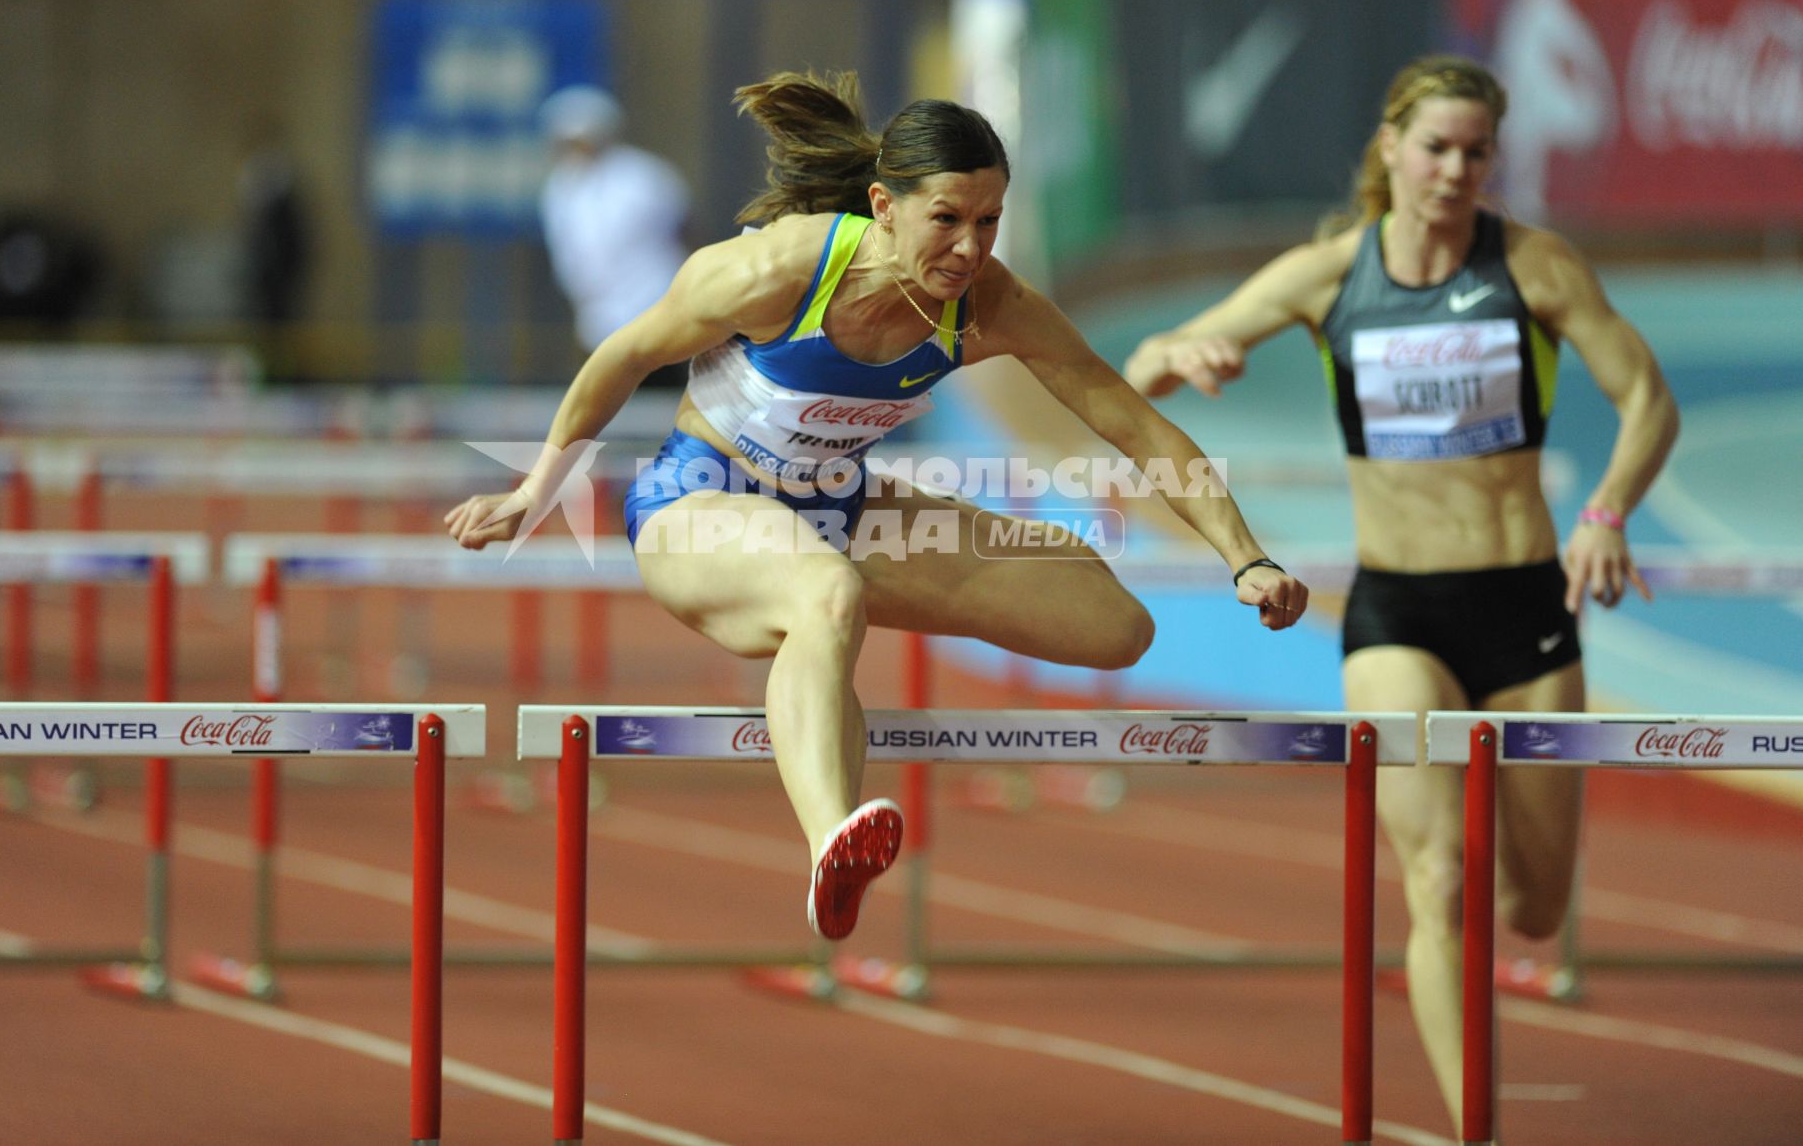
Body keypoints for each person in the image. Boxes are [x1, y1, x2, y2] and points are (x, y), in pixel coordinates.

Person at [450, 70, 1309, 941]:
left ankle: (821, 629)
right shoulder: (776, 269)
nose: (970, 251)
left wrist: (1248, 556)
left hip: (839, 504)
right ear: (883, 206)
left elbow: (1138, 425)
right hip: (699, 500)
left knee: (1112, 624)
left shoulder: (990, 304)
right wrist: (536, 488)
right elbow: (622, 356)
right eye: (947, 219)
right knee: (827, 594)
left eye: (989, 221)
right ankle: (832, 841)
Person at [1122, 54, 1678, 1133]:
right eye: (1436, 147)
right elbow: (1138, 370)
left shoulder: (1534, 265)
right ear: (1392, 150)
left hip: (1525, 614)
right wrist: (1177, 349)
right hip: (1396, 615)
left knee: (1530, 902)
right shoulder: (1331, 273)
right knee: (1435, 878)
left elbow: (1648, 397)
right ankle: (1479, 1123)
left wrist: (1607, 510)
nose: (1455, 170)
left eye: (1476, 152)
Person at [537, 84, 692, 386]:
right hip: (597, 319)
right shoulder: (559, 187)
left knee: (659, 394)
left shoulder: (644, 176)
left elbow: (686, 230)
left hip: (655, 310)